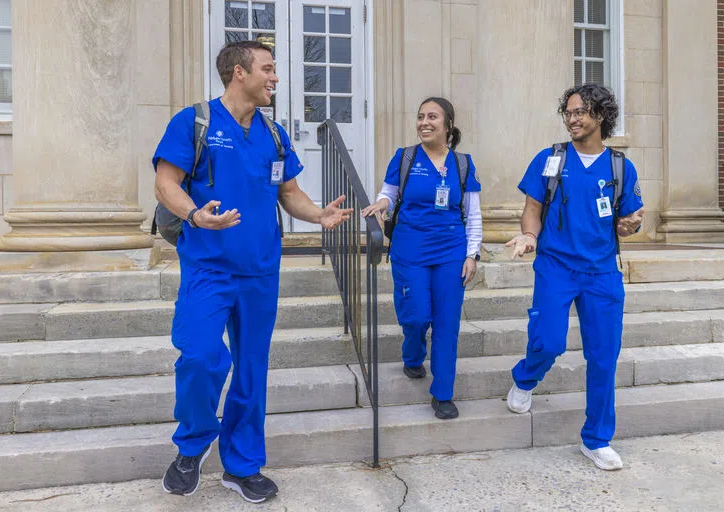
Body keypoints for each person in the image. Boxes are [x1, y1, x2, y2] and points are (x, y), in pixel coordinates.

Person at [152, 41, 352, 503]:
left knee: (251, 370)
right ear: (240, 73)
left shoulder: (274, 134)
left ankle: (241, 465)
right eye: (268, 69)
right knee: (201, 356)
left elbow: (288, 193)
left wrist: (319, 214)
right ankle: (195, 442)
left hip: (261, 270)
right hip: (208, 267)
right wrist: (196, 215)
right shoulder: (195, 122)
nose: (276, 78)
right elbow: (166, 182)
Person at [504, 84, 644, 470]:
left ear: (601, 115)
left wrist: (629, 227)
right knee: (549, 342)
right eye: (568, 112)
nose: (573, 118)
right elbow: (532, 208)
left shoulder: (620, 167)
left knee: (603, 357)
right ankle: (526, 377)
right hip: (555, 267)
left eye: (580, 111)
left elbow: (623, 222)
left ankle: (597, 439)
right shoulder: (551, 159)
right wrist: (530, 235)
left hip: (601, 273)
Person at [362, 97, 482, 420]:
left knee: (446, 322)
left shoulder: (463, 164)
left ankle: (442, 392)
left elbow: (472, 215)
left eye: (432, 117)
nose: (424, 122)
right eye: (420, 117)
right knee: (416, 315)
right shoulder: (405, 158)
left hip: (451, 251)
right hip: (410, 248)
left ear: (447, 125)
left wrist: (472, 254)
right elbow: (389, 193)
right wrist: (382, 204)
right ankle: (412, 353)